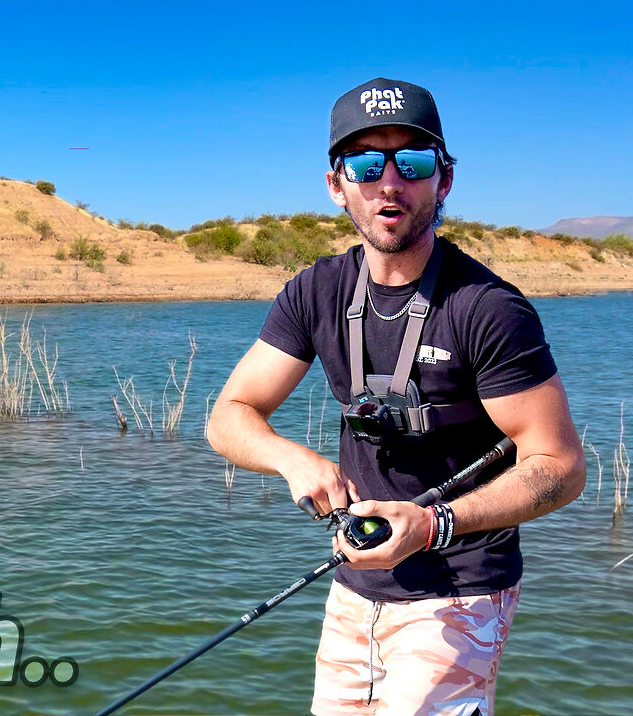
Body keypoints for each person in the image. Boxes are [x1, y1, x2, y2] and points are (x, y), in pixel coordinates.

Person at [205, 77, 586, 716]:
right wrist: (294, 460)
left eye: (412, 162)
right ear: (336, 184)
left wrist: (436, 523)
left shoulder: (488, 309)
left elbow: (560, 466)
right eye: (365, 162)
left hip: (461, 588)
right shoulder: (314, 292)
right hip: (354, 584)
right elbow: (230, 416)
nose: (389, 181)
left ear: (443, 181)